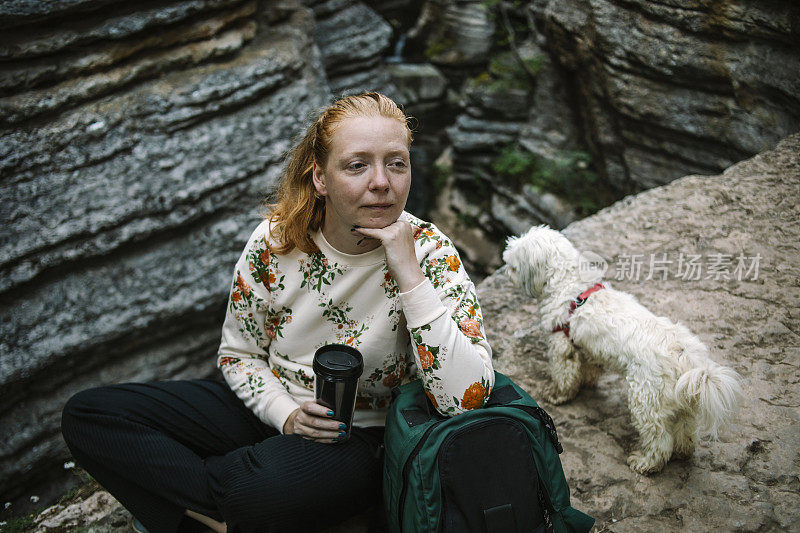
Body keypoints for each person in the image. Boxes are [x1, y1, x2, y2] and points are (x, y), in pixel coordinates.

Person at [61, 92, 495, 533]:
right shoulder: (276, 242)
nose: (381, 182)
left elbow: (463, 400)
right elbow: (238, 355)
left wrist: (409, 274)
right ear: (321, 179)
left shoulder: (431, 252)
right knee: (90, 416)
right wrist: (284, 413)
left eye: (396, 163)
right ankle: (218, 515)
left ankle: (205, 507)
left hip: (361, 436)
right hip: (271, 406)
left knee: (253, 491)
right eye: (357, 164)